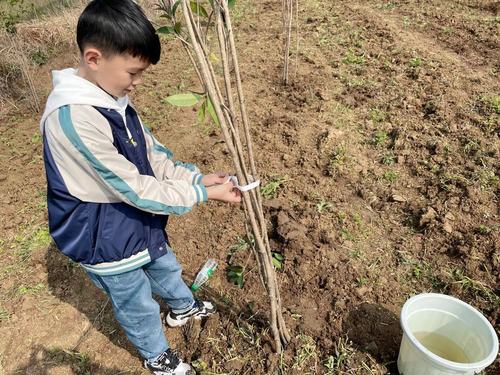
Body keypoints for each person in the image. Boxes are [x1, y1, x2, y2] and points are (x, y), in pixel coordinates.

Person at [39, 1, 241, 374]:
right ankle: (156, 355)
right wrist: (201, 194)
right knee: (135, 300)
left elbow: (151, 155)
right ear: (94, 57)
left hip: (133, 219)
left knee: (164, 266)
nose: (137, 83)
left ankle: (183, 307)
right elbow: (131, 186)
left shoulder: (113, 98)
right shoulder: (74, 118)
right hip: (101, 235)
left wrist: (195, 179)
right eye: (133, 72)